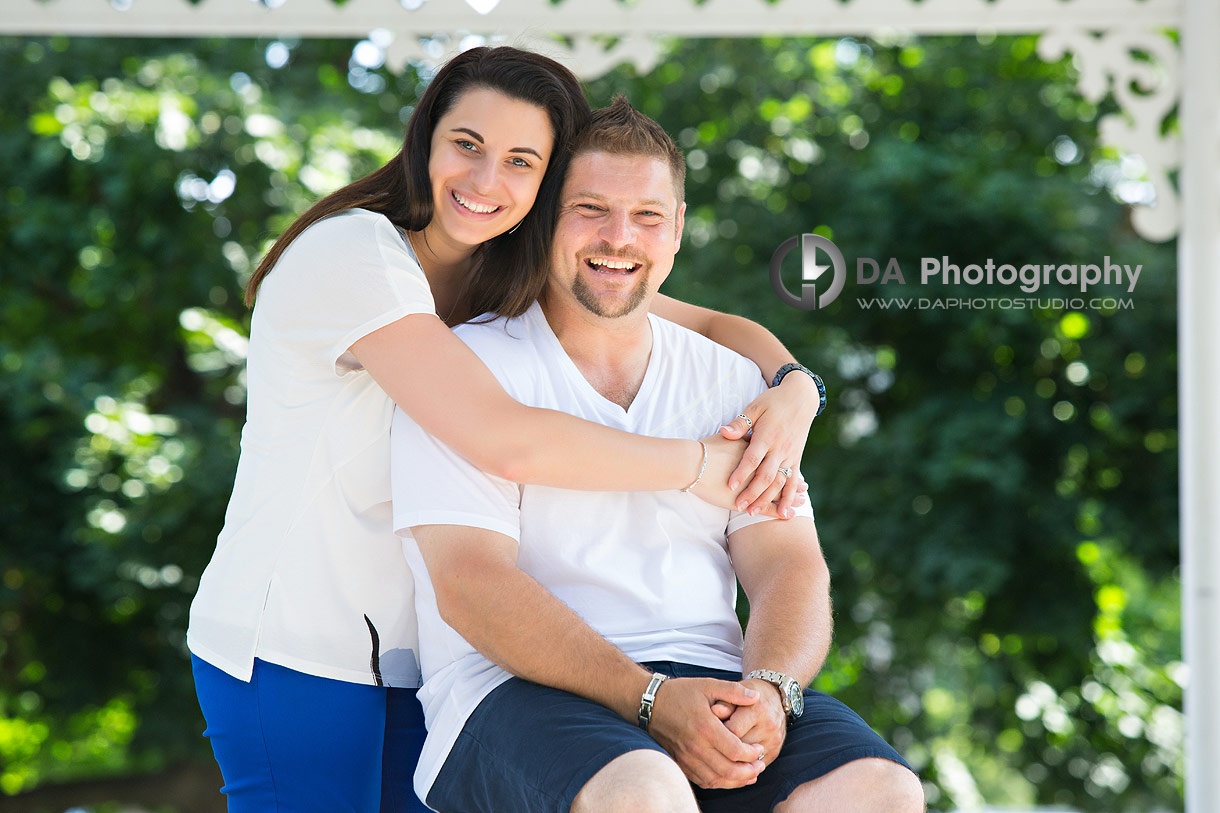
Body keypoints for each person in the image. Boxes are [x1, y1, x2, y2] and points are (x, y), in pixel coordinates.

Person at [187, 48, 822, 811]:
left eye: (521, 161)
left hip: (416, 660)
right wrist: (696, 466)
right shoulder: (353, 253)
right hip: (296, 645)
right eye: (467, 145)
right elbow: (503, 436)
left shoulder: (502, 273)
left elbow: (712, 323)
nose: (487, 181)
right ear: (425, 139)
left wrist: (796, 390)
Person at [390, 97, 924, 813]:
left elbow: (788, 564)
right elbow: (469, 583)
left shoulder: (735, 382)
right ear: (545, 218)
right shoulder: (468, 366)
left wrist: (770, 687)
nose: (619, 237)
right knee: (644, 792)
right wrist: (649, 698)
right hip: (511, 689)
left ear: (676, 229)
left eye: (646, 215)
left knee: (879, 789)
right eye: (590, 209)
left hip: (711, 682)